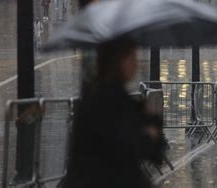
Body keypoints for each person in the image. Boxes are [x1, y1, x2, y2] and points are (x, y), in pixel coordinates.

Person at [61, 40, 166, 187]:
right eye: (132, 57)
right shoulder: (111, 100)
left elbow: (155, 154)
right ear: (118, 61)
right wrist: (152, 124)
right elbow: (141, 148)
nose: (136, 64)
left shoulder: (102, 96)